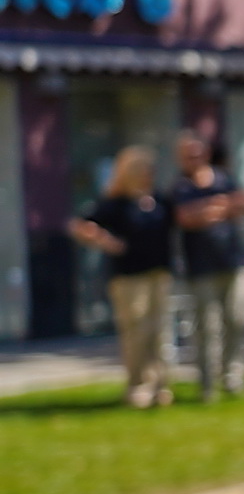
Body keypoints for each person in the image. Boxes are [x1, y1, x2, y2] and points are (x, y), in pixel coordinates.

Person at [70, 146, 177, 409]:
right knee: (137, 332)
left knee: (161, 333)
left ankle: (161, 386)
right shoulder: (115, 204)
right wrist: (108, 242)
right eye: (141, 170)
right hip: (129, 278)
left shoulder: (160, 201)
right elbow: (81, 226)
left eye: (150, 170)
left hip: (159, 274)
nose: (147, 175)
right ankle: (138, 385)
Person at [171, 133, 244, 400]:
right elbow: (185, 218)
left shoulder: (224, 178)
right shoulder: (180, 187)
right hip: (200, 269)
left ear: (205, 153)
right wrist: (220, 206)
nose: (193, 159)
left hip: (234, 262)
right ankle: (207, 385)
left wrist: (208, 210)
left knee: (237, 319)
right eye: (187, 155)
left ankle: (232, 377)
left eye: (197, 153)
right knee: (206, 328)